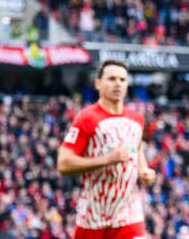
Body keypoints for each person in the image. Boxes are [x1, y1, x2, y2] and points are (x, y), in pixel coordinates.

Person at [57, 60, 156, 239]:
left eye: (122, 79)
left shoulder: (137, 118)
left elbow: (137, 146)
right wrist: (108, 159)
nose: (117, 83)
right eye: (111, 79)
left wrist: (144, 169)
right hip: (94, 216)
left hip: (129, 214)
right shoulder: (86, 118)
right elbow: (64, 163)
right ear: (98, 83)